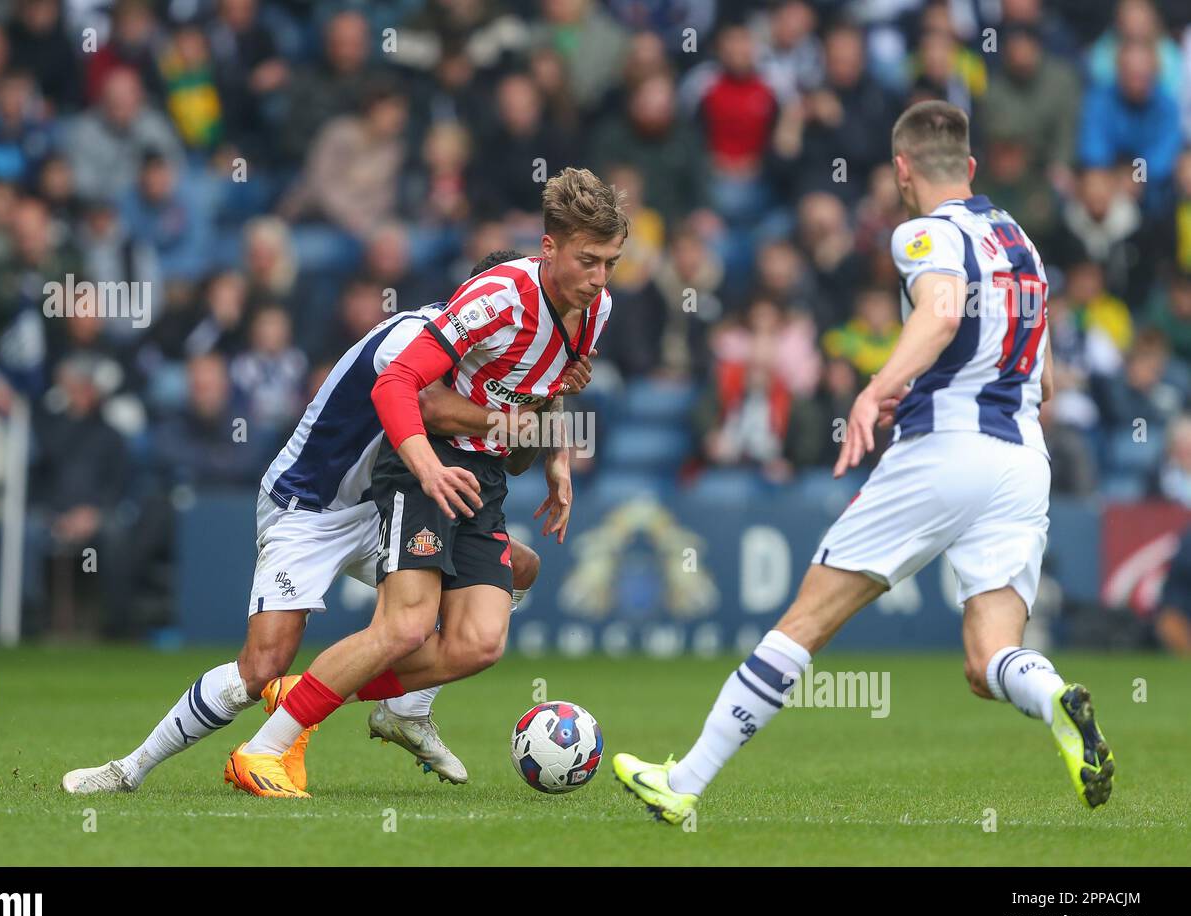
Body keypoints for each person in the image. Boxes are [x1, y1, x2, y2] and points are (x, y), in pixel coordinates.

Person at [613, 101, 1116, 824]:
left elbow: (941, 312)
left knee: (805, 619)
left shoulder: (922, 232)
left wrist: (877, 388)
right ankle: (1055, 698)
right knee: (988, 659)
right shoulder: (1023, 243)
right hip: (1021, 458)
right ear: (970, 168)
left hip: (943, 452)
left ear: (901, 171)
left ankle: (683, 781)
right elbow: (1024, 366)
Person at [60, 251, 586, 795]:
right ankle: (129, 769)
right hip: (306, 505)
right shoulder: (415, 337)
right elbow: (431, 408)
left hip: (381, 504)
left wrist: (550, 407)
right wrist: (523, 413)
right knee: (260, 667)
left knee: (516, 570)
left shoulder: (491, 367)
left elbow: (510, 448)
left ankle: (407, 708)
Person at [224, 168, 623, 798]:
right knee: (407, 627)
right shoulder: (496, 300)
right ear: (549, 248)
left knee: (478, 642)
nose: (600, 278)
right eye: (589, 261)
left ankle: (307, 698)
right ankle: (266, 749)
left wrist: (558, 462)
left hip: (482, 473)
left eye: (610, 262)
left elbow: (552, 390)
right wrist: (426, 465)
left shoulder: (594, 309)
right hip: (427, 460)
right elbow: (396, 383)